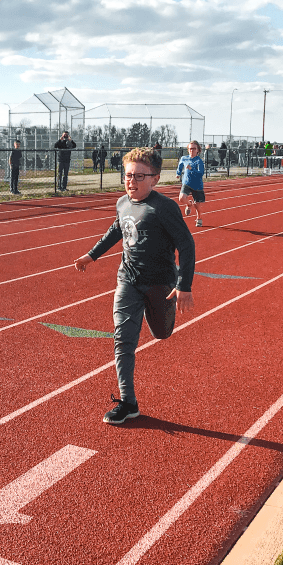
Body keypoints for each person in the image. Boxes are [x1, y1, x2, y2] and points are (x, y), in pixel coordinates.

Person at [73, 147, 195, 424]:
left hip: (160, 283)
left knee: (162, 333)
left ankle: (162, 319)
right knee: (123, 339)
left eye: (140, 176)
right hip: (127, 280)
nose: (132, 181)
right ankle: (128, 402)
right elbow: (116, 230)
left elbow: (186, 245)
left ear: (155, 179)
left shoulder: (164, 208)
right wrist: (91, 256)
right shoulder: (122, 203)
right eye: (128, 175)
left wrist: (183, 285)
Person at [177, 140, 206, 227]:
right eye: (190, 149)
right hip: (186, 182)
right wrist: (178, 173)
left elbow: (201, 173)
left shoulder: (199, 161)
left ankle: (199, 218)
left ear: (197, 150)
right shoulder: (184, 158)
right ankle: (189, 204)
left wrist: (191, 169)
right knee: (181, 198)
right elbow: (180, 165)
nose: (191, 150)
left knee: (197, 205)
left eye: (193, 149)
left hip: (197, 185)